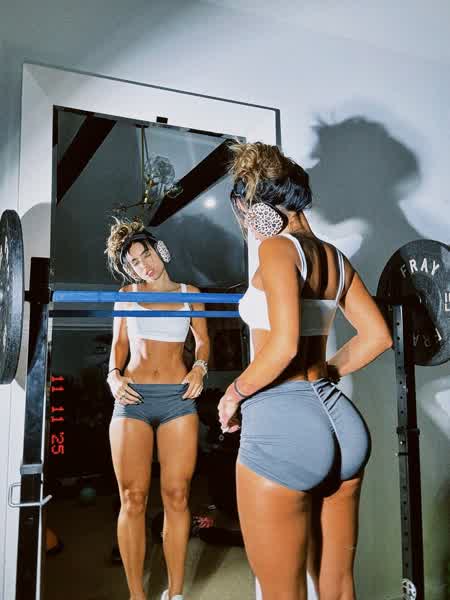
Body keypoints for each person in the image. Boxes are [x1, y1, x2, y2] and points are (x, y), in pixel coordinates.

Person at [218, 142, 393, 600]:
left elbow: (283, 345)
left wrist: (234, 393)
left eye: (245, 210)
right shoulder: (336, 258)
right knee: (338, 587)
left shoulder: (278, 249)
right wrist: (327, 371)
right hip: (342, 425)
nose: (246, 223)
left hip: (282, 425)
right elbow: (378, 337)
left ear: (260, 208)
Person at [105, 219, 210, 600]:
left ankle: (175, 593)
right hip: (132, 399)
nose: (143, 265)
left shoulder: (190, 293)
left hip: (177, 401)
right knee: (132, 498)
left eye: (145, 254)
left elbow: (202, 341)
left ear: (158, 249)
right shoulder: (126, 294)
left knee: (177, 495)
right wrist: (113, 376)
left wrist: (200, 367)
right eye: (134, 262)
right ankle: (137, 596)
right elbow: (119, 345)